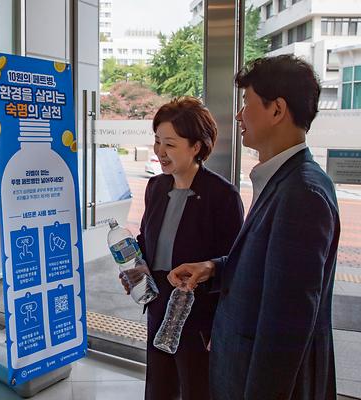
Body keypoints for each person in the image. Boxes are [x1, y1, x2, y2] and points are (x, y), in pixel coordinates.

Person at [168, 55, 340, 400]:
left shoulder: (301, 194)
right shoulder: (282, 180)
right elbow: (268, 271)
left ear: (277, 110)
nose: (238, 115)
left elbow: (286, 325)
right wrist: (213, 267)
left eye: (246, 103)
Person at [121, 97, 244, 400]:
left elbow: (235, 262)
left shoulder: (222, 195)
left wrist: (222, 326)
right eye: (158, 141)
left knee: (196, 387)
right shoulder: (156, 187)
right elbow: (147, 240)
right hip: (158, 303)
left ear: (197, 147)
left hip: (198, 314)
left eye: (170, 145)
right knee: (159, 386)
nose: (160, 152)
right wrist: (135, 267)